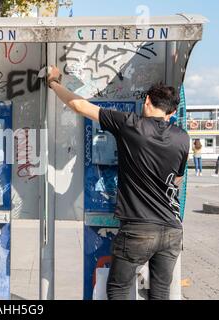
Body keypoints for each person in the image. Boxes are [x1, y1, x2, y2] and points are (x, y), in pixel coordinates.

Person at [47, 66, 189, 300]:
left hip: (139, 228)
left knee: (119, 288)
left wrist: (53, 82)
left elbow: (79, 106)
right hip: (172, 229)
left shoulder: (130, 125)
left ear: (146, 101)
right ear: (171, 113)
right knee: (161, 292)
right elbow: (178, 178)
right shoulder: (182, 137)